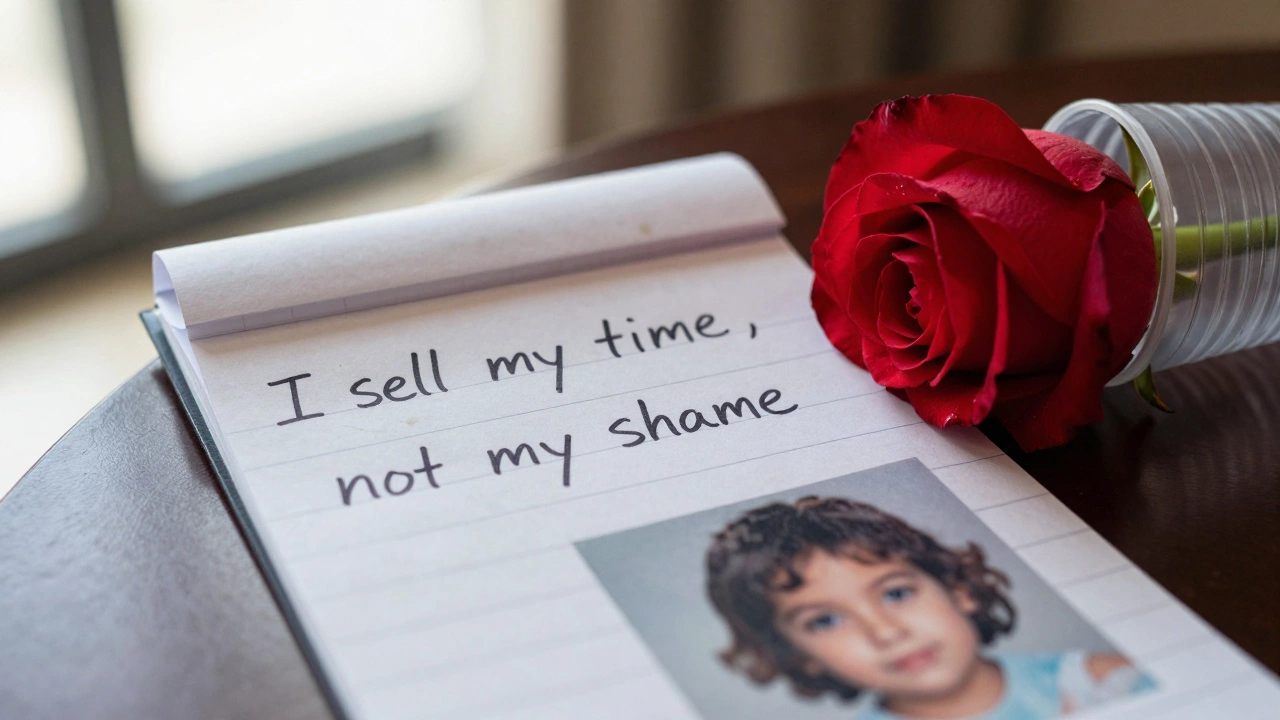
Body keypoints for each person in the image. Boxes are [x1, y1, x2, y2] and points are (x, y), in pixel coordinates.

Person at [704, 496, 1153, 719]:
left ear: (958, 589)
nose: (884, 631)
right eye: (825, 621)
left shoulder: (1103, 684)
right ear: (798, 654)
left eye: (896, 593)